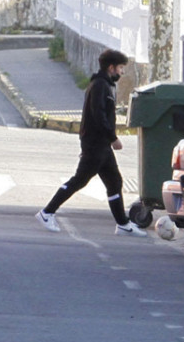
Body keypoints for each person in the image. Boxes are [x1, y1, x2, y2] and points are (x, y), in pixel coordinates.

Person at [35, 49, 147, 237]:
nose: (122, 72)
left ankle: (123, 224)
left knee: (114, 182)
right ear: (111, 67)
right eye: (120, 68)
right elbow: (97, 115)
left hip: (100, 145)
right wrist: (113, 138)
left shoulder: (105, 85)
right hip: (97, 144)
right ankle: (47, 212)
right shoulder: (99, 86)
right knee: (79, 180)